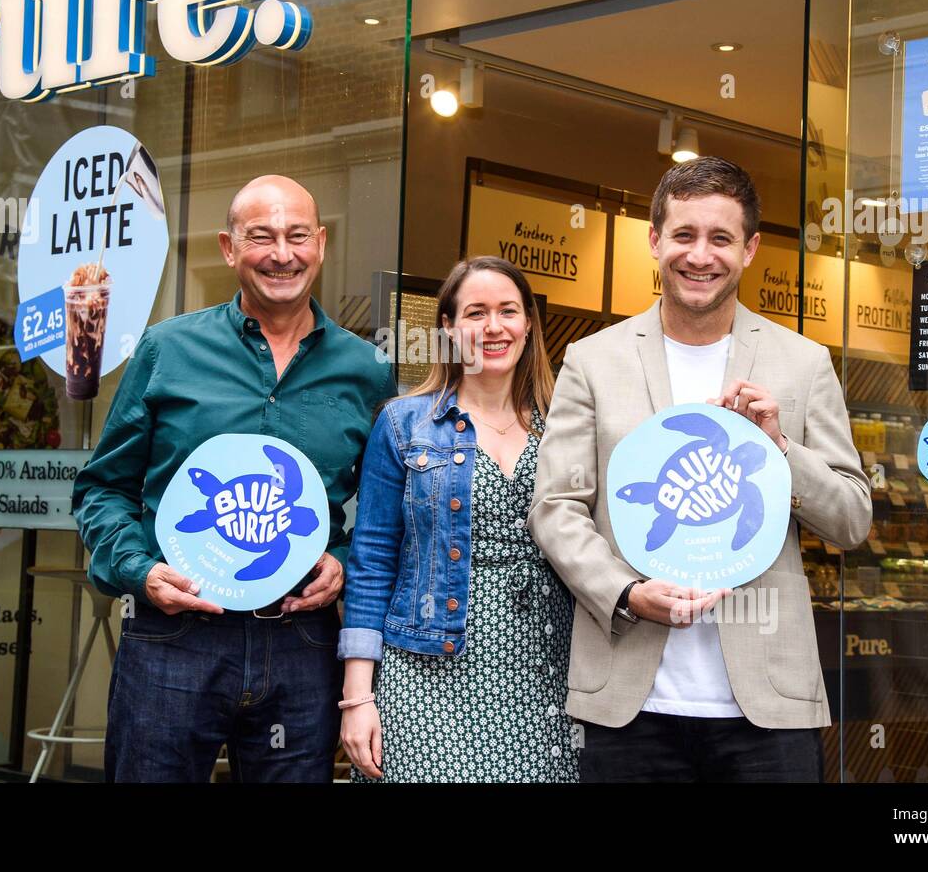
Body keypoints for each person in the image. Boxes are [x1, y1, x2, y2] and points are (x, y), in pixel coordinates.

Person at [529, 157, 872, 782]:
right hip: (630, 705)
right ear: (655, 240)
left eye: (721, 238)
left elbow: (851, 519)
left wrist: (781, 450)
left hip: (769, 708)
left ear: (750, 250)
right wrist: (626, 594)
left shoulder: (804, 363)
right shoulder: (591, 360)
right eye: (684, 235)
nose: (700, 255)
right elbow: (556, 506)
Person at [73, 174, 395, 782]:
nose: (282, 254)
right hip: (176, 635)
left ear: (321, 244)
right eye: (261, 237)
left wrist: (344, 560)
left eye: (298, 236)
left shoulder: (367, 369)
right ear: (227, 247)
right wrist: (140, 571)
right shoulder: (167, 350)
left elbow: (386, 510)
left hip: (302, 642)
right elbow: (101, 488)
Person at [338, 256, 579, 782]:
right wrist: (358, 697)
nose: (493, 327)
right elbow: (373, 560)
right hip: (426, 673)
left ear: (529, 322)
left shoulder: (567, 423)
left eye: (508, 311)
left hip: (546, 668)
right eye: (475, 313)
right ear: (447, 327)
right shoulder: (403, 423)